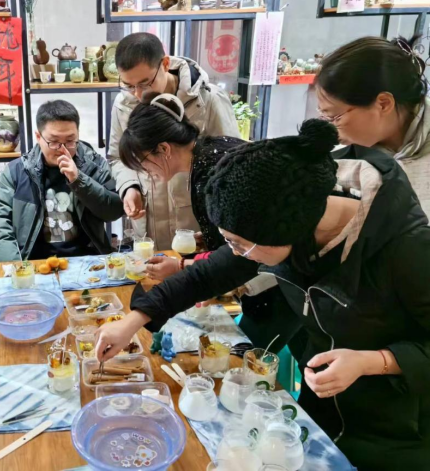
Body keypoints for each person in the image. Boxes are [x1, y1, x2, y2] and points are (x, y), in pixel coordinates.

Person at [97, 120, 430, 469]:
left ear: (282, 232)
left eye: (239, 244)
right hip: (321, 407)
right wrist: (132, 322)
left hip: (397, 432)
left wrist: (373, 362)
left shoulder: (409, 250)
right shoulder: (288, 225)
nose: (235, 253)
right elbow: (204, 275)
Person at [116, 91, 295, 351]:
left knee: (247, 356)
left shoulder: (210, 173)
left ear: (163, 149)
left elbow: (243, 254)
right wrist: (210, 241)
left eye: (143, 164)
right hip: (280, 278)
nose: (146, 173)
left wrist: (182, 265)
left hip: (279, 285)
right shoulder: (213, 150)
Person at [108, 32, 240, 250]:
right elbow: (117, 157)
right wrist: (129, 187)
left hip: (194, 220)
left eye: (145, 83)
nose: (138, 94)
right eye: (129, 85)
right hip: (150, 218)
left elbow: (230, 163)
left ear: (165, 64)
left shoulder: (207, 99)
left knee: (196, 264)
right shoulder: (123, 104)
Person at [0, 100, 124, 262]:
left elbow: (114, 211)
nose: (62, 149)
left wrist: (79, 180)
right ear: (38, 137)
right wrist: (15, 266)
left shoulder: (94, 166)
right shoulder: (17, 172)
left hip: (88, 261)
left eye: (70, 141)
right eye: (54, 142)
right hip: (34, 262)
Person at [316, 35, 430, 214]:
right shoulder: (356, 153)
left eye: (335, 117)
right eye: (324, 116)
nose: (331, 130)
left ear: (383, 104)